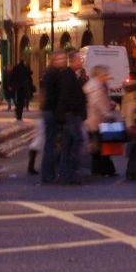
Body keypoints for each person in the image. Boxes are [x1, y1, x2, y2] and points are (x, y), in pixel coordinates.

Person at [57, 50, 88, 184]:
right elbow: (65, 97)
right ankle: (69, 174)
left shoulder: (72, 75)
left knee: (69, 145)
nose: (81, 61)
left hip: (71, 115)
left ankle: (66, 174)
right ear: (73, 61)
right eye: (80, 59)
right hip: (71, 115)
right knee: (74, 144)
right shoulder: (68, 76)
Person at [83, 65, 117, 177]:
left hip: (94, 120)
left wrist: (109, 104)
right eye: (106, 74)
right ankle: (105, 170)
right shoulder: (96, 86)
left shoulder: (94, 85)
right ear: (100, 75)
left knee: (98, 147)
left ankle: (100, 170)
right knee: (101, 147)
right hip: (97, 121)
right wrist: (108, 114)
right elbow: (97, 103)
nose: (107, 77)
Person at [40, 50, 68, 184]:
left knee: (52, 144)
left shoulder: (57, 74)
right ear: (53, 60)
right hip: (51, 112)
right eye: (58, 59)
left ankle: (50, 173)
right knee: (50, 145)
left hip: (51, 111)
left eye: (63, 58)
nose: (62, 61)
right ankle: (48, 175)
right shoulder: (53, 74)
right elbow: (55, 96)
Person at [121, 75, 136, 181]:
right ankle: (133, 172)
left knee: (134, 149)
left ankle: (131, 172)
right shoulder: (135, 96)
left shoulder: (126, 96)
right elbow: (135, 112)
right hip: (135, 125)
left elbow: (123, 113)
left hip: (129, 125)